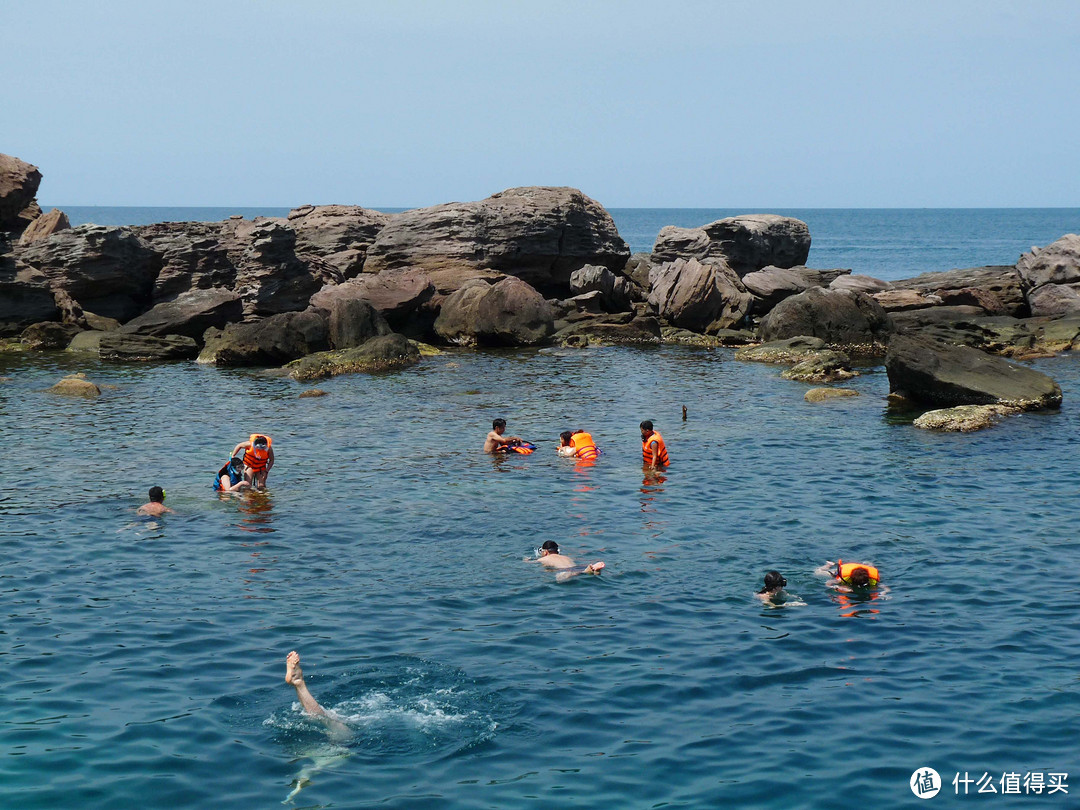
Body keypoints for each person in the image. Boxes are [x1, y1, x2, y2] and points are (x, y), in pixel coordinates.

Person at [527, 540, 605, 581]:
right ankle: (593, 570)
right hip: (578, 567)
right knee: (580, 572)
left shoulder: (544, 558)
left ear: (546, 552)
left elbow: (532, 563)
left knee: (559, 580)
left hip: (565, 571)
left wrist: (526, 560)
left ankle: (588, 571)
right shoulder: (567, 557)